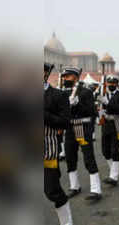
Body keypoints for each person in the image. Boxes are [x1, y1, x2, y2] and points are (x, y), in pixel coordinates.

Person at [61, 67, 102, 202]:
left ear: (75, 77)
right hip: (69, 128)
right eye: (64, 76)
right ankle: (74, 186)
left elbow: (91, 111)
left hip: (81, 126)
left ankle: (96, 189)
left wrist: (78, 104)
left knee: (88, 157)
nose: (65, 79)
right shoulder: (63, 93)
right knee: (70, 157)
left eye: (68, 76)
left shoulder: (85, 92)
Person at [44, 63, 73, 225]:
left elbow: (65, 123)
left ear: (45, 73)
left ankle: (67, 222)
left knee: (52, 191)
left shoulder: (58, 95)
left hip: (47, 148)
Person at [98, 74, 119, 186]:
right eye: (109, 83)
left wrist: (107, 103)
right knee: (105, 151)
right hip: (106, 124)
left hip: (117, 123)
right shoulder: (102, 94)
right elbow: (96, 108)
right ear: (106, 84)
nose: (111, 85)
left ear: (117, 84)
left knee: (115, 149)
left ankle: (113, 177)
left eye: (113, 83)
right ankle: (113, 170)